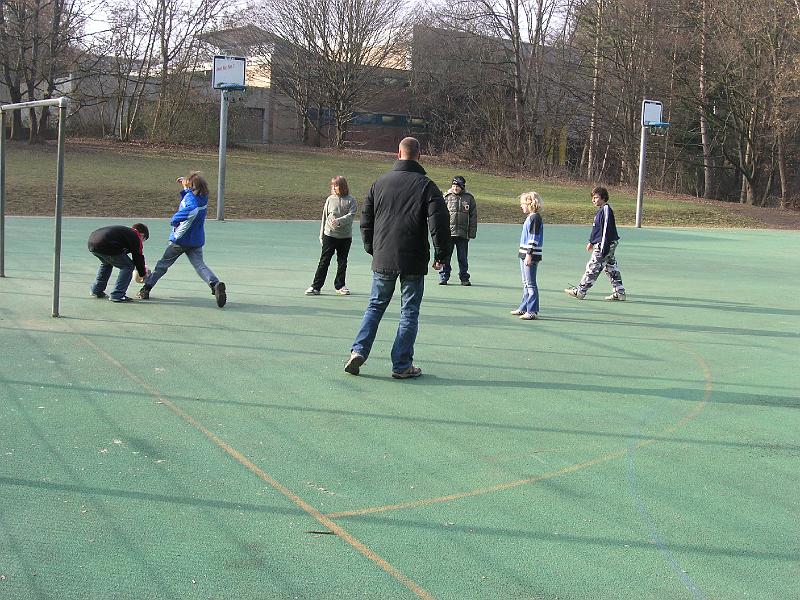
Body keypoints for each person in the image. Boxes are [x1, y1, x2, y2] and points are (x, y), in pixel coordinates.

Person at [344, 137, 450, 379]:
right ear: (419, 155)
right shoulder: (427, 186)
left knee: (375, 305)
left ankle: (358, 350)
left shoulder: (378, 184)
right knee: (409, 311)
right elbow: (439, 223)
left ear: (397, 153)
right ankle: (402, 365)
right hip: (413, 257)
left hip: (384, 255)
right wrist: (441, 254)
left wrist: (372, 248)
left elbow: (365, 220)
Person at [137, 171, 227, 308]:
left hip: (180, 240)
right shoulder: (203, 196)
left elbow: (191, 208)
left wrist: (175, 219)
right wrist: (184, 183)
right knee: (200, 265)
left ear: (191, 187)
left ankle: (146, 289)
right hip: (196, 241)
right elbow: (191, 193)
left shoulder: (191, 200)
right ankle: (214, 284)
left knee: (162, 265)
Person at [564, 186, 626, 301]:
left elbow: (606, 229)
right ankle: (619, 292)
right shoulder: (600, 211)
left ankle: (581, 291)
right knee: (611, 267)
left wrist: (603, 247)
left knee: (593, 267)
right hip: (603, 243)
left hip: (606, 244)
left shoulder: (606, 209)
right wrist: (591, 242)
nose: (593, 200)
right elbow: (597, 229)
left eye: (596, 197)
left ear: (603, 198)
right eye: (593, 197)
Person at [305, 176, 358, 296]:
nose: (333, 188)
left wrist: (339, 221)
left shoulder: (351, 200)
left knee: (342, 262)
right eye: (332, 185)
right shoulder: (329, 199)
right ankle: (316, 287)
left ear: (343, 187)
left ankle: (340, 286)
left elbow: (351, 215)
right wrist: (321, 235)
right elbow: (324, 217)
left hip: (345, 237)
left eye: (336, 185)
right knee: (324, 261)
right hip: (329, 235)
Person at [88, 223, 150, 302]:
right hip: (107, 244)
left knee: (107, 263)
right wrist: (143, 274)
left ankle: (96, 290)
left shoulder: (124, 233)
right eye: (144, 240)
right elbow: (138, 257)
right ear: (142, 235)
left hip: (92, 242)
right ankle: (118, 295)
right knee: (128, 266)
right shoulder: (135, 237)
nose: (142, 242)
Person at [439, 175, 477, 286]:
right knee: (446, 256)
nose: (455, 188)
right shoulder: (446, 197)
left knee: (462, 257)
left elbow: (473, 217)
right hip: (448, 233)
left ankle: (464, 277)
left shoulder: (469, 198)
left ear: (462, 187)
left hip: (462, 234)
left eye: (458, 186)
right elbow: (440, 215)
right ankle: (444, 276)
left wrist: (471, 233)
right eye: (454, 185)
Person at [511, 191, 543, 320]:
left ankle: (532, 310)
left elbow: (533, 238)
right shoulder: (530, 217)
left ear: (530, 203)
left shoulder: (535, 218)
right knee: (525, 283)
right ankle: (524, 307)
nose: (521, 206)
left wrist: (529, 254)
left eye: (523, 203)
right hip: (524, 253)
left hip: (530, 255)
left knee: (530, 284)